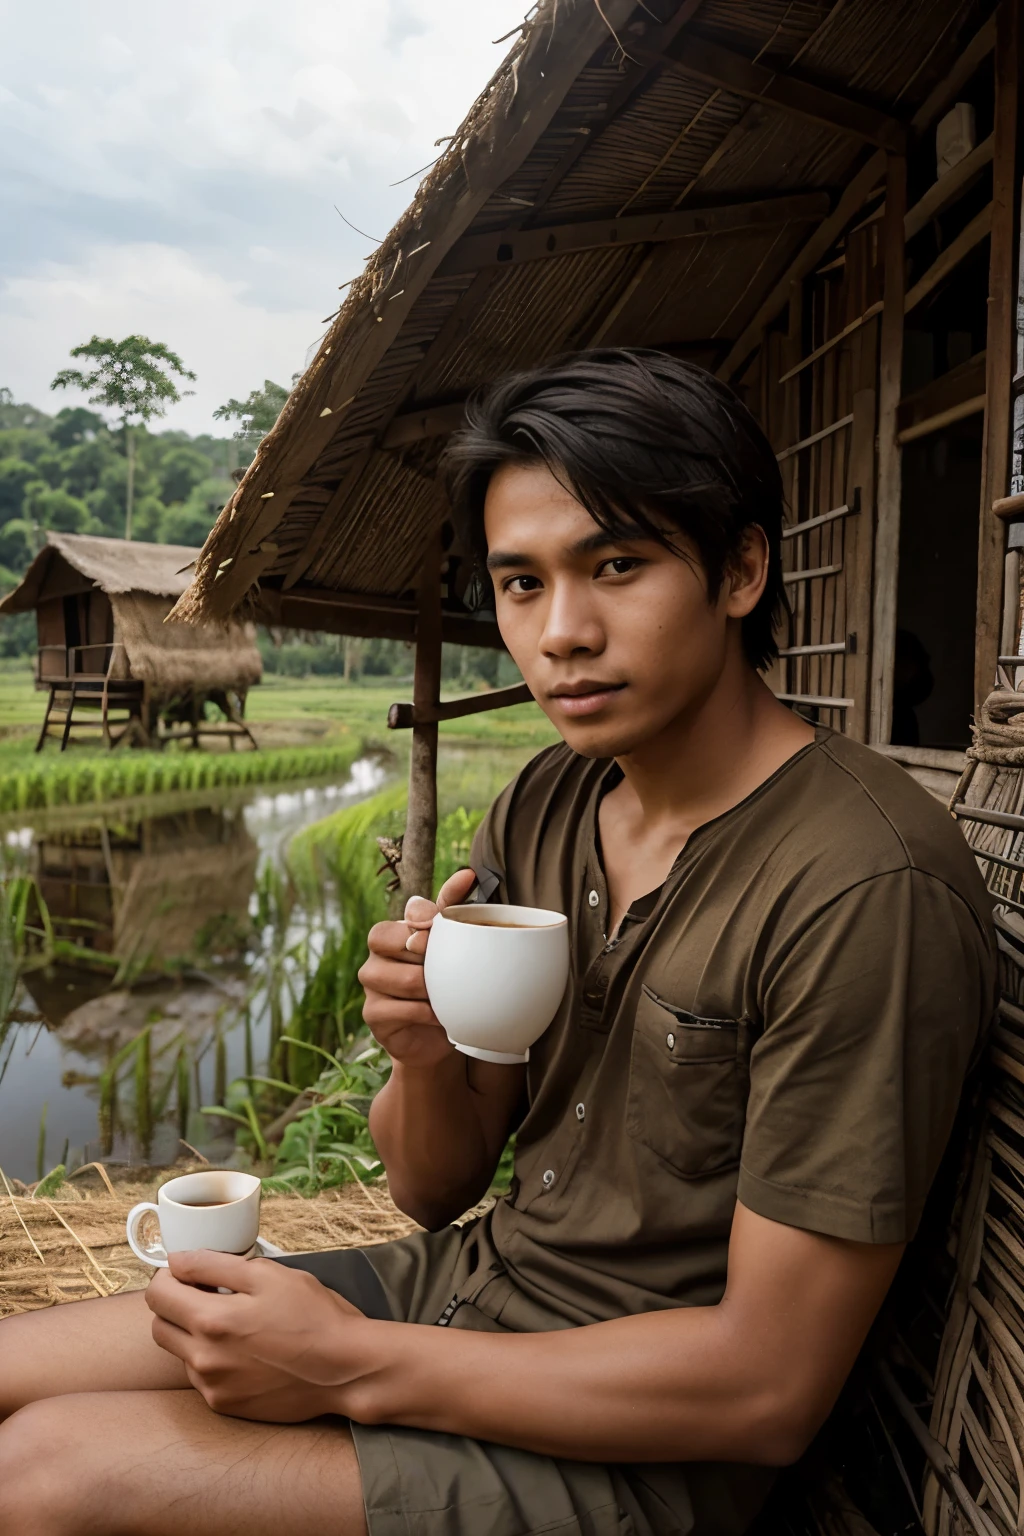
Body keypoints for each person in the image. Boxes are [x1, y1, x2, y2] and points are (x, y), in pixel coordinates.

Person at [0, 350, 995, 1536]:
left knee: (43, 1470)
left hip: (640, 1443)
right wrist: (419, 1053)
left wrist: (354, 1365)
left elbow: (764, 1390)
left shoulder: (860, 883)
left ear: (739, 569)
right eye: (520, 584)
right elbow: (434, 1188)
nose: (561, 633)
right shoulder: (547, 802)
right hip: (471, 1285)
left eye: (616, 566)